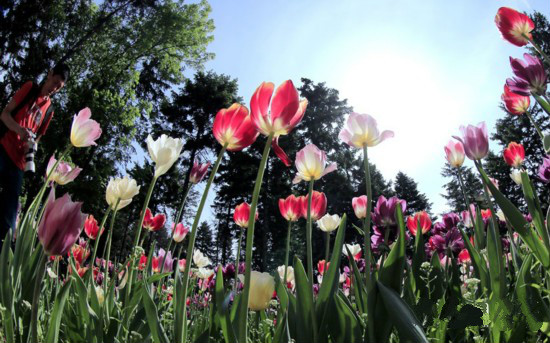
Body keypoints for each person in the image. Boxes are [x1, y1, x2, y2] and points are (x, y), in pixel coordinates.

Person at [0, 63, 70, 249]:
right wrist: (19, 130)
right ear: (49, 74)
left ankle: (3, 254)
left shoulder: (49, 111)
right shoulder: (30, 88)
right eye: (54, 82)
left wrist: (31, 147)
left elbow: (37, 139)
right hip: (3, 148)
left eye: (59, 87)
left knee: (9, 215)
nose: (54, 88)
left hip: (19, 163)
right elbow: (5, 115)